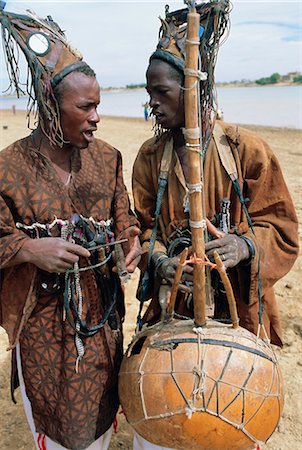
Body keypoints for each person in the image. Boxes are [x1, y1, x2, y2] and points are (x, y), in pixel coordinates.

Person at [132, 2, 299, 447]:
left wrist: (244, 247)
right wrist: (164, 262)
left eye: (160, 92)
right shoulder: (150, 159)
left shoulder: (247, 150)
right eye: (149, 92)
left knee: (231, 421)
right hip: (174, 315)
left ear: (191, 89)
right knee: (167, 420)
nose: (151, 102)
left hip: (239, 318)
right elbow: (141, 231)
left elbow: (282, 229)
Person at [0, 6, 140, 450]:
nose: (97, 117)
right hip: (41, 327)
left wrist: (130, 243)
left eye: (99, 105)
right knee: (55, 423)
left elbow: (125, 216)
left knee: (98, 415)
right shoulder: (7, 168)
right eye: (86, 106)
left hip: (101, 321)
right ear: (49, 106)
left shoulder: (107, 158)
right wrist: (27, 250)